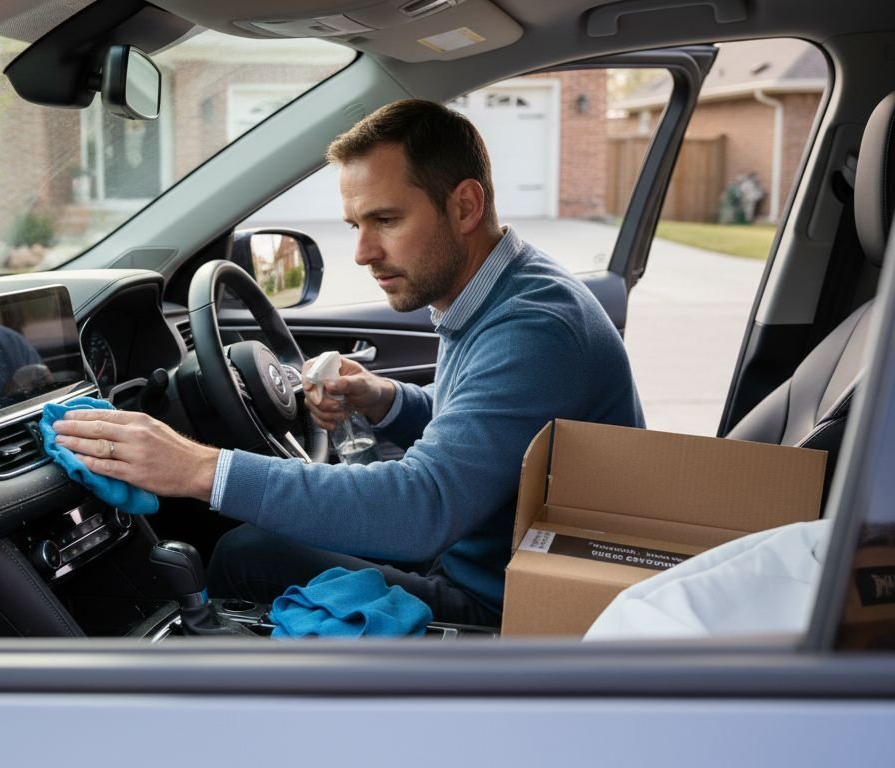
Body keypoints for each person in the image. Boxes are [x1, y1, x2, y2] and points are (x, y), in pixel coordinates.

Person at [52, 99, 644, 626]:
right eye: (355, 226)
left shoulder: (533, 328)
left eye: (385, 220)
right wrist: (383, 399)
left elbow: (423, 507)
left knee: (243, 553)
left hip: (514, 609)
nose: (362, 252)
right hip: (492, 558)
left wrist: (196, 469)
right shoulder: (504, 291)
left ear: (464, 205)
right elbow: (488, 426)